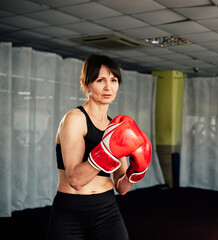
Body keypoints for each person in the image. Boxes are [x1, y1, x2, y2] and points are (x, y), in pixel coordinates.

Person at [46, 54, 151, 240]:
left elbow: (122, 187)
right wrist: (107, 152)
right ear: (87, 85)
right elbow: (75, 180)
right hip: (71, 210)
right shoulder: (75, 119)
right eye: (100, 80)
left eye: (113, 80)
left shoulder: (116, 126)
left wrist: (137, 171)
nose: (108, 87)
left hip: (106, 208)